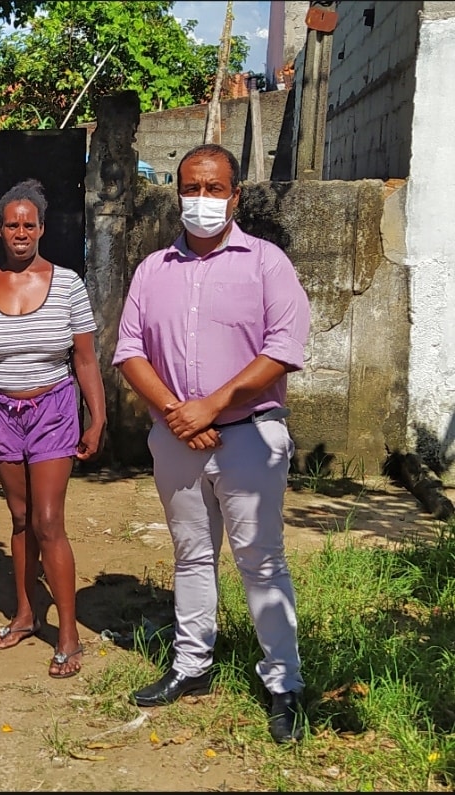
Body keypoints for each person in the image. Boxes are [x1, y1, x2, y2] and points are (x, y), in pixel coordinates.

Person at [111, 143, 311, 744]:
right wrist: (177, 414)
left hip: (250, 436)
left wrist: (213, 406)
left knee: (261, 560)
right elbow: (129, 350)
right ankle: (191, 665)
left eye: (213, 188)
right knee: (192, 555)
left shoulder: (266, 263)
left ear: (235, 194)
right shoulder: (152, 270)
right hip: (176, 439)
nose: (201, 200)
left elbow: (283, 349)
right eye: (191, 189)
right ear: (178, 194)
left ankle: (285, 683)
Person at [0, 178, 107, 679]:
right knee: (20, 518)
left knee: (47, 520)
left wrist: (97, 415)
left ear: (42, 228)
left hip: (53, 409)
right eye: (11, 224)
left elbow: (84, 358)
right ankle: (24, 612)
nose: (20, 232)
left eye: (29, 224)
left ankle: (67, 632)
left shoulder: (69, 285)